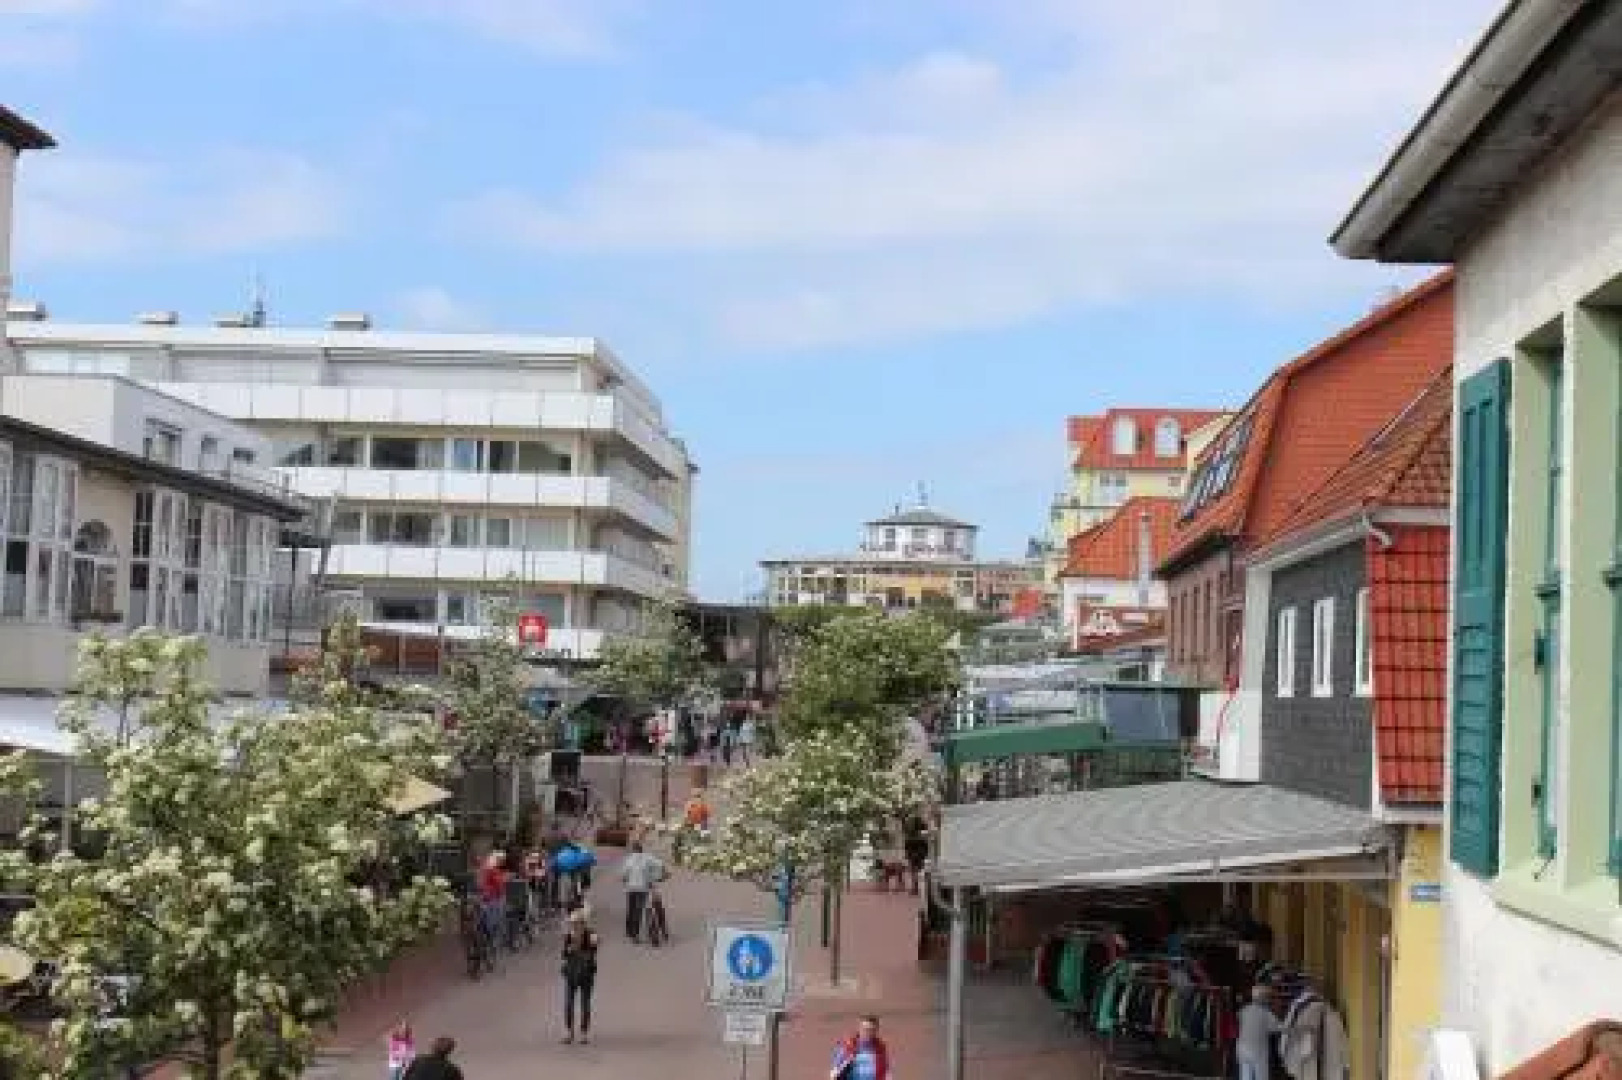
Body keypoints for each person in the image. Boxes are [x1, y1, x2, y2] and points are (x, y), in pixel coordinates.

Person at [561, 908, 601, 1045]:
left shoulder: (591, 934)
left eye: (578, 923)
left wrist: (592, 944)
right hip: (571, 973)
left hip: (586, 974)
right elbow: (564, 955)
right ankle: (569, 1031)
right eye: (573, 923)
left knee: (585, 1003)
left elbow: (595, 949)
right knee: (568, 1003)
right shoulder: (569, 936)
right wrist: (569, 949)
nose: (575, 925)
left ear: (584, 923)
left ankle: (584, 1033)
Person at [620, 840, 667, 943]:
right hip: (643, 889)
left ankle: (630, 931)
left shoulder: (629, 859)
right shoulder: (648, 857)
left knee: (631, 909)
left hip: (631, 888)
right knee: (638, 911)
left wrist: (626, 880)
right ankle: (635, 935)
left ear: (633, 850)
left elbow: (623, 875)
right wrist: (664, 874)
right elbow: (661, 864)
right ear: (641, 849)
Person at [1235, 985, 1282, 1080]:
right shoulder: (1265, 1013)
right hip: (1258, 1051)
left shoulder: (1244, 1010)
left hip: (1242, 1049)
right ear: (1263, 997)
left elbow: (1240, 1021)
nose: (1269, 1000)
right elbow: (1278, 1028)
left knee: (1245, 1076)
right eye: (1268, 997)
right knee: (1261, 1076)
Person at [830, 1015, 892, 1080]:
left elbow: (885, 1070)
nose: (868, 1032)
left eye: (872, 1030)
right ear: (860, 1029)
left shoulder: (880, 1047)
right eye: (865, 1029)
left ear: (876, 1031)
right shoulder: (848, 1045)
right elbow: (836, 1068)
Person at [475, 852, 508, 947]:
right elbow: (499, 886)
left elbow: (479, 884)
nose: (501, 863)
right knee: (497, 917)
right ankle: (494, 939)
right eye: (500, 861)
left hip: (483, 897)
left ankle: (487, 936)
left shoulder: (481, 869)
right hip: (492, 897)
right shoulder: (492, 870)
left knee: (486, 917)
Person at [902, 816, 929, 895]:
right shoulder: (923, 834)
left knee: (914, 871)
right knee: (920, 871)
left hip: (913, 853)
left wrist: (907, 853)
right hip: (920, 853)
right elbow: (925, 845)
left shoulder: (911, 833)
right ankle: (919, 888)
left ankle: (915, 887)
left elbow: (907, 844)